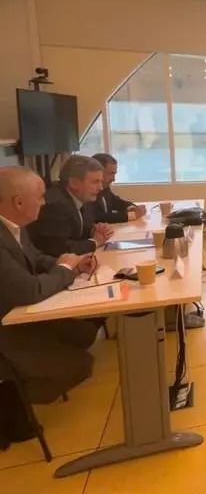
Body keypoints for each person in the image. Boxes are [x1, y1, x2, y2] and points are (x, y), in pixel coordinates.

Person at [0, 167, 98, 442]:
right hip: (8, 331)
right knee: (81, 365)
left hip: (21, 315)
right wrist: (64, 270)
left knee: (84, 333)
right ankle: (11, 396)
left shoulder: (15, 227)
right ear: (19, 201)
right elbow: (29, 290)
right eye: (40, 197)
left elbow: (35, 258)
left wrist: (69, 264)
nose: (44, 203)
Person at [27, 155, 113, 256]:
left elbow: (82, 230)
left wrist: (95, 230)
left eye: (101, 182)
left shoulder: (81, 198)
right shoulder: (55, 206)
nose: (100, 188)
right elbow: (60, 249)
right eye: (95, 182)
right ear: (74, 183)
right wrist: (95, 242)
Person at [89, 153, 146, 224]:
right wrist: (131, 215)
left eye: (114, 174)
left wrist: (132, 208)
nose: (113, 179)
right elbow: (97, 217)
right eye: (110, 174)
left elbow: (115, 201)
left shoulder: (105, 187)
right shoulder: (87, 191)